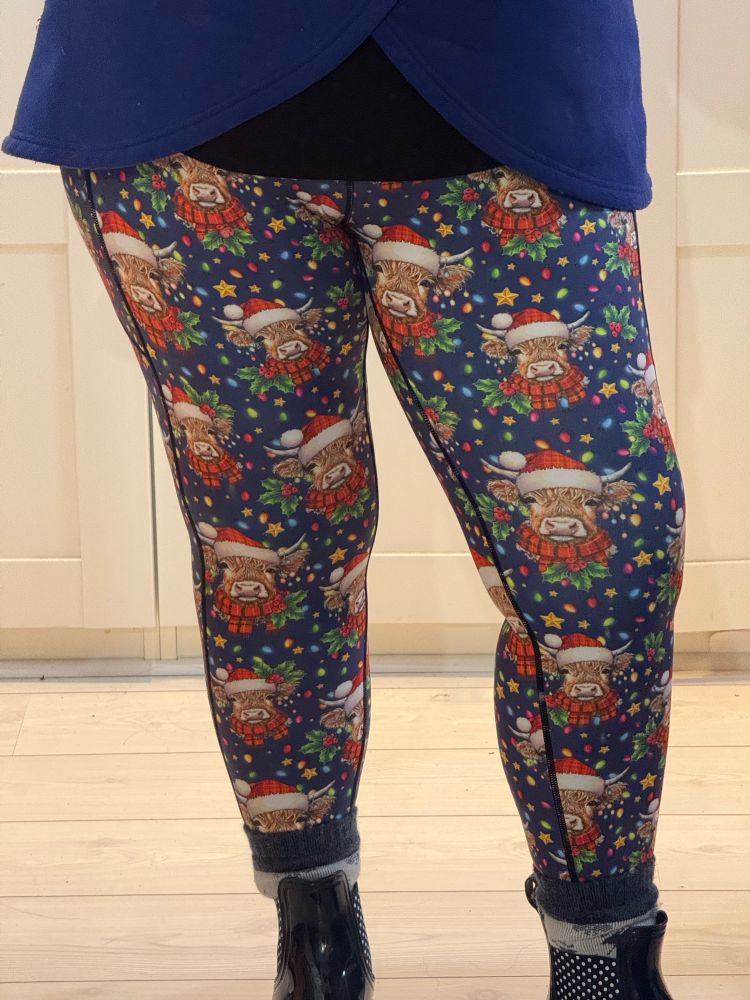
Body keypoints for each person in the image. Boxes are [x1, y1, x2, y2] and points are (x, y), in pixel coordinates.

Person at [3, 4, 685, 998]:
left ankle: (602, 959)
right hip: (179, 93)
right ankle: (313, 921)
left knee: (600, 575)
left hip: (514, 89)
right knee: (268, 549)